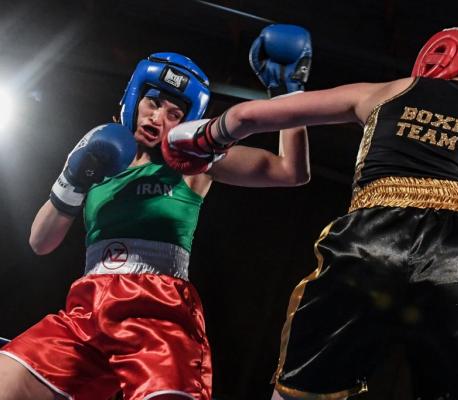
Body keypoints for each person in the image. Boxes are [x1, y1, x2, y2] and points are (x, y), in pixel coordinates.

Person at [166, 27, 458, 400]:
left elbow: (247, 116)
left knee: (301, 389)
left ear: (441, 53)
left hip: (371, 241)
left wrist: (204, 139)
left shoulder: (388, 90)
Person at [0, 24, 312, 400]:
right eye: (153, 103)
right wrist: (74, 178)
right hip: (88, 311)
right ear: (134, 98)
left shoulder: (193, 161)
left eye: (174, 112)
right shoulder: (98, 159)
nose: (157, 117)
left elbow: (290, 171)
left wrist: (288, 93)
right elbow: (40, 242)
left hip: (158, 311)